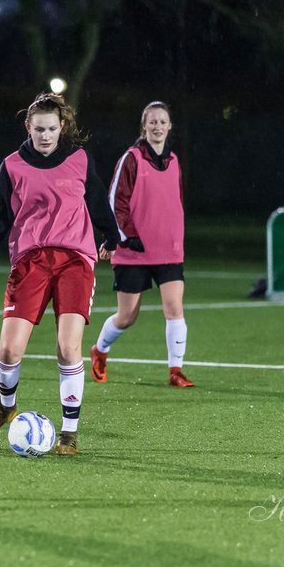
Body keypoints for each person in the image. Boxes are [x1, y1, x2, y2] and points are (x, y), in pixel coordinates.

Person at [0, 92, 120, 457]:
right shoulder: (12, 166)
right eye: (39, 129)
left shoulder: (79, 159)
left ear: (62, 127)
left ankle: (69, 432)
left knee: (67, 348)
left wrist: (112, 235)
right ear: (28, 127)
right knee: (10, 349)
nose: (45, 135)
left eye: (52, 129)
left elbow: (96, 201)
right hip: (29, 262)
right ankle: (6, 408)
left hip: (75, 260)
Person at [90, 101, 195, 387]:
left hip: (168, 251)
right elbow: (115, 200)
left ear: (170, 126)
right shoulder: (131, 158)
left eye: (163, 122)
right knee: (127, 316)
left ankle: (176, 371)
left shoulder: (174, 161)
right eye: (153, 122)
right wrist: (127, 236)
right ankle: (99, 351)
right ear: (144, 126)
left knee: (174, 308)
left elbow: (176, 204)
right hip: (133, 251)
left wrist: (175, 237)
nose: (158, 126)